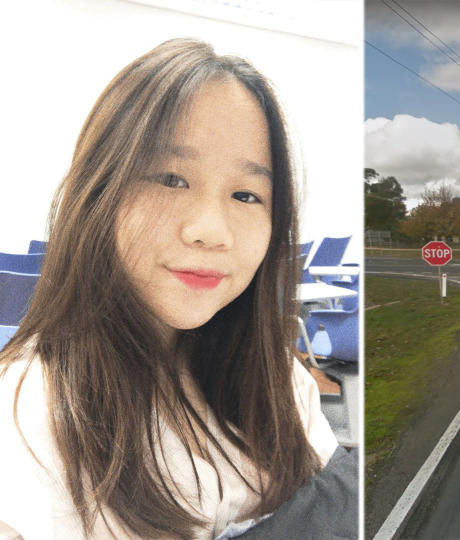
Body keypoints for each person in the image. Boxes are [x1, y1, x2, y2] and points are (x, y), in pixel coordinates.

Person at [0, 38, 349, 538]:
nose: (212, 230)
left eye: (247, 195)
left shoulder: (282, 382)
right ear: (97, 191)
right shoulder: (28, 421)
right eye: (170, 179)